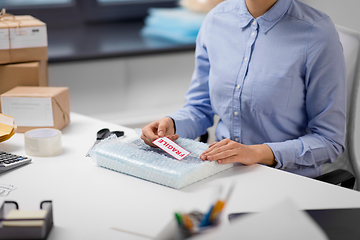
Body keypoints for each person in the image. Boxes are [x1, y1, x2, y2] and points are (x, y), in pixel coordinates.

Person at [141, 0, 346, 178]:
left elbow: (329, 141)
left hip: (287, 179)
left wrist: (258, 153)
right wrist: (171, 125)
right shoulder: (216, 20)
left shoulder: (316, 33)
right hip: (220, 171)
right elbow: (199, 107)